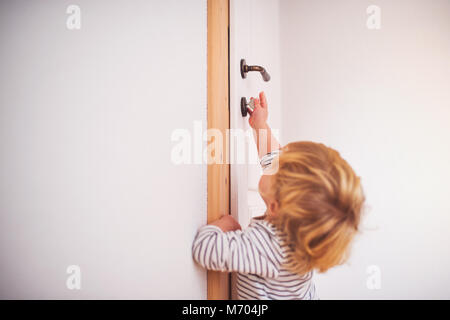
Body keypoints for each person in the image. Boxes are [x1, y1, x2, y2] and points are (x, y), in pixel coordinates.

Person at [192, 91, 365, 299]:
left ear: (274, 206)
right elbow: (272, 158)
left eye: (278, 164)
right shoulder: (298, 235)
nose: (276, 157)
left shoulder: (267, 246)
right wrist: (260, 125)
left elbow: (204, 248)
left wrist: (227, 225)